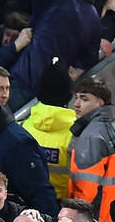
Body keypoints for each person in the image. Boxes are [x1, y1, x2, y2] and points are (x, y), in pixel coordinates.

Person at [67, 75, 115, 222]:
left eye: (84, 99)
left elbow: (85, 190)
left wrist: (75, 221)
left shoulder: (91, 136)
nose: (77, 104)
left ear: (100, 102)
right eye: (76, 98)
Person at [22, 63, 77, 200]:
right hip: (66, 205)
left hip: (27, 202)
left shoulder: (22, 127)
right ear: (69, 94)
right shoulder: (78, 132)